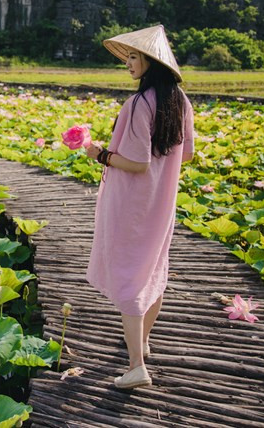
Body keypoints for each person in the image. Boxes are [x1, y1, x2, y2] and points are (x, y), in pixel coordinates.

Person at [84, 24, 195, 389]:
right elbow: (187, 155)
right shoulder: (181, 101)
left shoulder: (138, 103)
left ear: (151, 62)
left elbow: (136, 163)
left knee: (130, 278)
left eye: (134, 57)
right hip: (162, 203)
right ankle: (143, 343)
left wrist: (100, 155)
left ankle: (136, 367)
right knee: (152, 271)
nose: (128, 63)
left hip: (132, 204)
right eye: (128, 56)